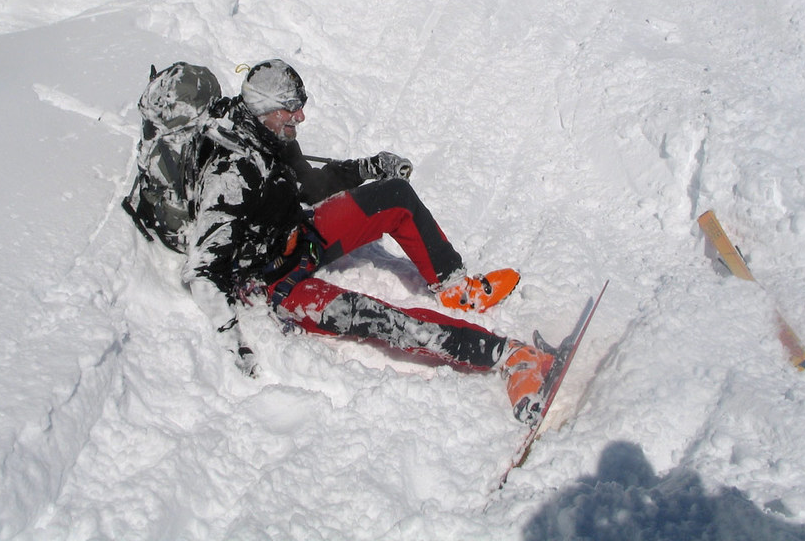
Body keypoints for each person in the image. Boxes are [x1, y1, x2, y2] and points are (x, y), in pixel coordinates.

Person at [185, 59, 555, 423]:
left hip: (299, 236)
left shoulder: (269, 134)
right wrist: (233, 342)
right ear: (266, 108)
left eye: (301, 107)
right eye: (292, 110)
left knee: (394, 195)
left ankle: (457, 288)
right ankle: (509, 356)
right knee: (382, 319)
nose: (301, 117)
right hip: (273, 284)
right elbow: (202, 272)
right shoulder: (230, 177)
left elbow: (309, 187)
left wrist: (369, 168)